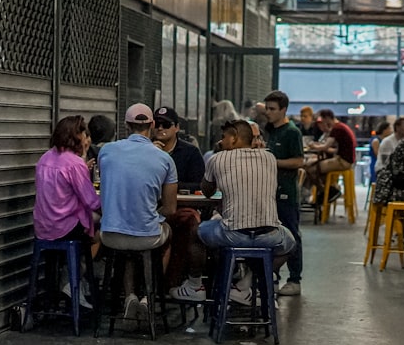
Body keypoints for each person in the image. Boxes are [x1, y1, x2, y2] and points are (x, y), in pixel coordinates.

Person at [197, 119, 296, 305]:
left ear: (234, 138)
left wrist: (219, 153)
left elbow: (207, 191)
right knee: (290, 243)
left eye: (224, 137)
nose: (221, 141)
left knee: (200, 230)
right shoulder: (270, 158)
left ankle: (204, 284)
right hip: (269, 235)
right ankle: (251, 284)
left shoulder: (217, 158)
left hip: (233, 235)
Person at [98, 103, 178, 330]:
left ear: (125, 125)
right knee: (163, 233)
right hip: (146, 237)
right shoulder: (164, 159)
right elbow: (171, 209)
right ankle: (148, 297)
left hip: (110, 235)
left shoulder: (106, 151)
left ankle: (129, 296)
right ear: (152, 125)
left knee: (128, 248)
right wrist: (152, 212)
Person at [33, 115, 102, 308]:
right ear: (75, 135)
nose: (86, 138)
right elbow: (91, 201)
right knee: (100, 230)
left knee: (90, 227)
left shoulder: (45, 158)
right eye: (83, 133)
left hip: (43, 226)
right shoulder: (74, 163)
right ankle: (76, 282)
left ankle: (69, 280)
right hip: (65, 227)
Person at [151, 106, 209, 303]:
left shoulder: (190, 152)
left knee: (190, 223)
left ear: (176, 128)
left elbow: (199, 184)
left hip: (179, 209)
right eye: (156, 124)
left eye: (165, 124)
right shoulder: (146, 151)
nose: (160, 128)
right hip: (149, 211)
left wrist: (170, 187)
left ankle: (172, 284)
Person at [262, 90, 305, 297]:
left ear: (283, 110)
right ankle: (274, 275)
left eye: (272, 109)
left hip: (286, 193)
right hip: (269, 193)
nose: (268, 113)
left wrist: (272, 162)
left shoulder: (292, 133)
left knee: (292, 234)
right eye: (267, 108)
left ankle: (295, 278)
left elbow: (298, 161)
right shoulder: (270, 131)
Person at [302, 108, 356, 201]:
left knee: (311, 169)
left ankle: (327, 191)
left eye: (323, 120)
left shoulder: (337, 128)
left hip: (343, 161)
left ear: (327, 118)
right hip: (346, 159)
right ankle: (328, 190)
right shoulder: (341, 127)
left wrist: (312, 146)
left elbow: (325, 147)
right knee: (317, 168)